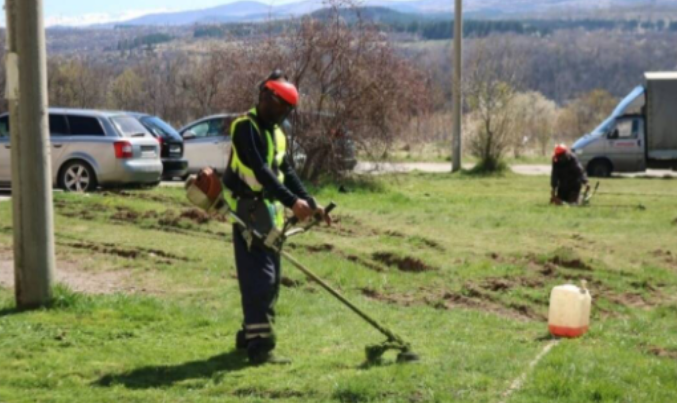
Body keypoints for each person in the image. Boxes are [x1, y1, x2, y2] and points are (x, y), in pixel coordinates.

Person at [222, 70, 330, 365]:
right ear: (265, 98)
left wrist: (310, 201)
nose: (283, 114)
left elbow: (288, 171)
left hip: (271, 213)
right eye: (280, 106)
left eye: (287, 110)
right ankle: (260, 347)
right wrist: (292, 202)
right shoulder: (244, 128)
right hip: (248, 211)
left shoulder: (278, 134)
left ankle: (248, 336)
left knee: (270, 277)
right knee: (261, 279)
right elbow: (260, 170)